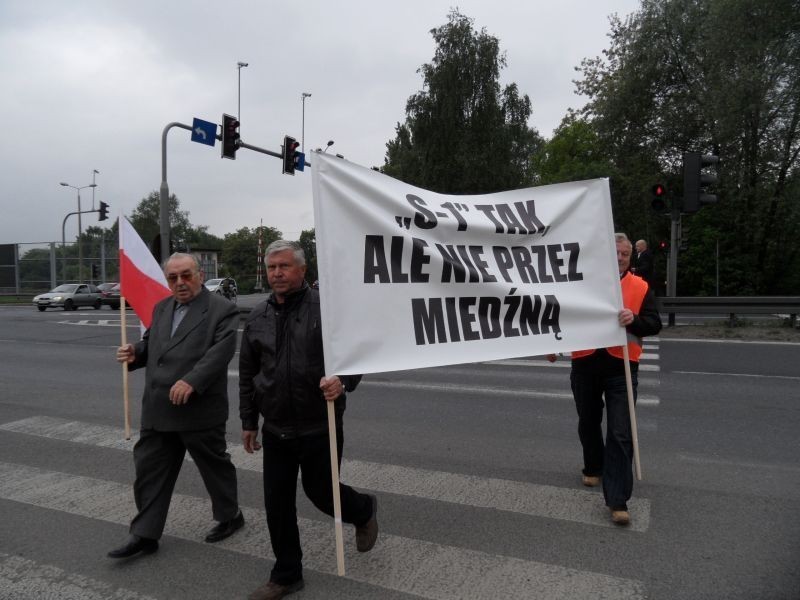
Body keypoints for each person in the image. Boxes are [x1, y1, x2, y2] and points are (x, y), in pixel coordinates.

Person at [239, 240, 377, 600]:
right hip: (277, 427)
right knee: (277, 503)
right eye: (272, 268)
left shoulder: (326, 310)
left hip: (320, 422)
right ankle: (286, 574)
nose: (277, 274)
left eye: (284, 266)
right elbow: (247, 373)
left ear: (302, 270)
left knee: (322, 493)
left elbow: (355, 356)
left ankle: (362, 510)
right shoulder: (257, 317)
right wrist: (249, 420)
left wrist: (342, 383)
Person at [108, 253, 244, 558]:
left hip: (198, 408)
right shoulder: (162, 307)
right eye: (173, 278)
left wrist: (192, 381)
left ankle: (230, 515)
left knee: (214, 467)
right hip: (158, 408)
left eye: (186, 275)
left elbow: (220, 353)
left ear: (199, 274)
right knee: (149, 471)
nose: (180, 283)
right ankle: (144, 533)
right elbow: (153, 344)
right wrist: (135, 352)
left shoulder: (221, 310)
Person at [548, 233, 661, 525]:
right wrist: (550, 345)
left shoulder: (640, 286)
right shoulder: (580, 284)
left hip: (621, 368)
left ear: (629, 257)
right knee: (588, 421)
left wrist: (634, 320)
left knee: (621, 432)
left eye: (625, 254)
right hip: (585, 364)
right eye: (615, 253)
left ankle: (618, 499)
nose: (620, 258)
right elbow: (561, 316)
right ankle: (593, 466)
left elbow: (654, 324)